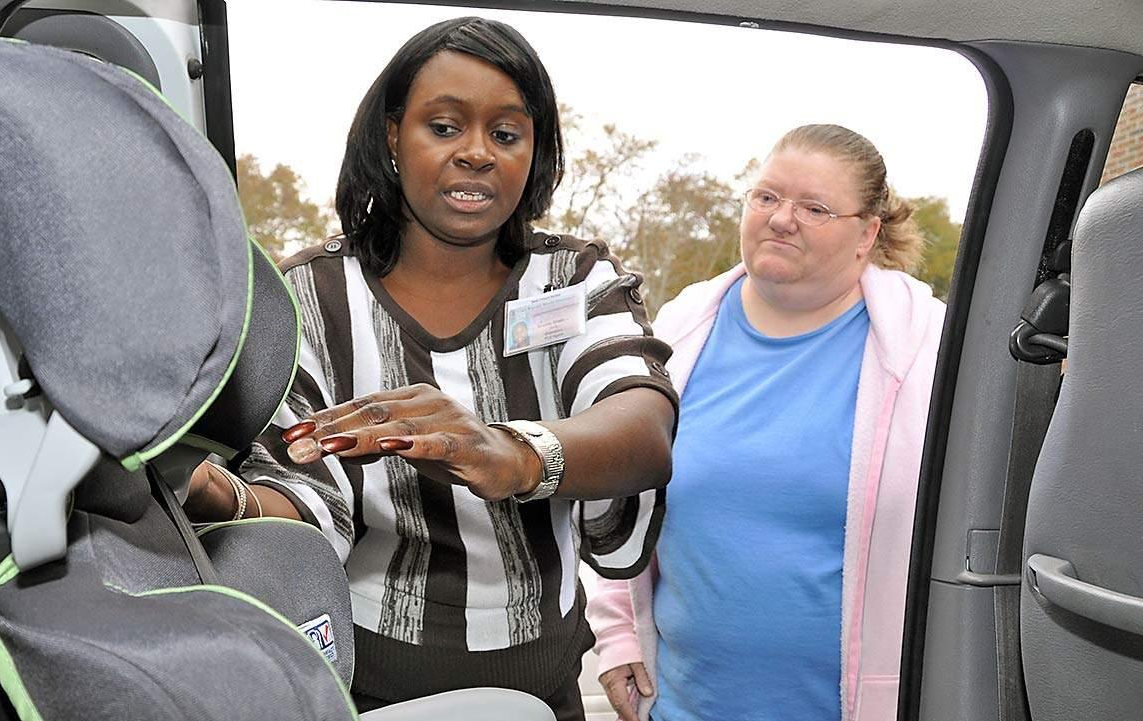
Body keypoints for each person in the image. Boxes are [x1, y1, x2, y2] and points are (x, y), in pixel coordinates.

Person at [184, 17, 678, 721]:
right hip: (364, 695)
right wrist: (214, 496)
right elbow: (303, 494)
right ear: (392, 137)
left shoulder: (574, 279)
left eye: (506, 134)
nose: (477, 153)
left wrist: (513, 454)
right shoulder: (309, 298)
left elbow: (642, 425)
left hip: (549, 695)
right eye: (445, 127)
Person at [587, 124, 946, 721]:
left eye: (814, 207)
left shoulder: (927, 348)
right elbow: (625, 500)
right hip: (679, 706)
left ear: (867, 233)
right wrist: (618, 632)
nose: (782, 219)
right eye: (768, 197)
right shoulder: (679, 330)